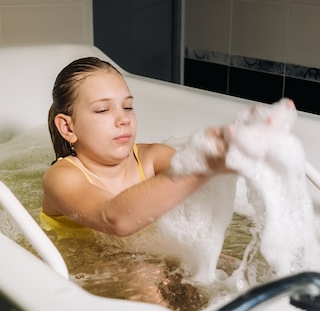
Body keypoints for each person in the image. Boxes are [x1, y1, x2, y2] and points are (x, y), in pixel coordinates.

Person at [41, 57, 230, 237]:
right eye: (103, 110)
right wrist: (201, 166)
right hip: (78, 261)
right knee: (146, 272)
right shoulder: (61, 177)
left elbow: (199, 192)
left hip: (136, 256)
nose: (124, 119)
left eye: (128, 107)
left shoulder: (153, 158)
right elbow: (113, 218)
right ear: (67, 127)